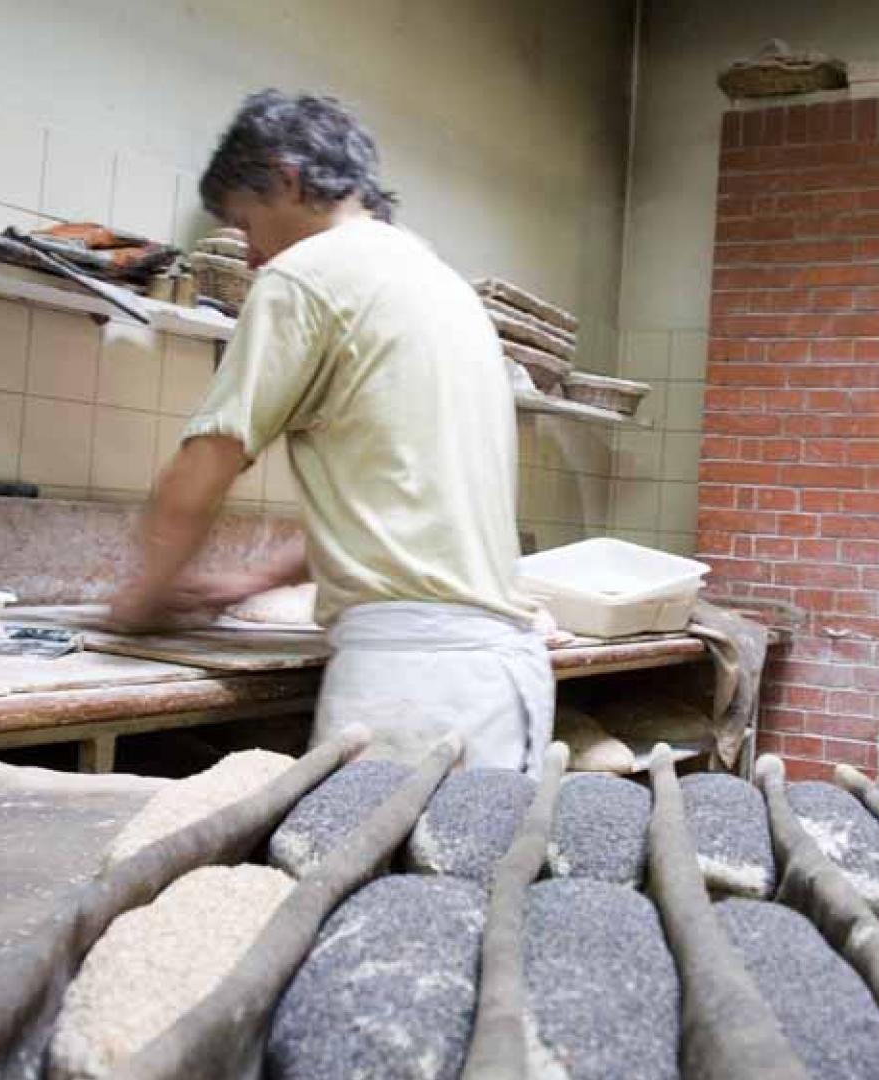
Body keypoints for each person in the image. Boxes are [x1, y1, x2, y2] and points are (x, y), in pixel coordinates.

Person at [109, 90, 551, 772]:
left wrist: (143, 596)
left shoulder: (305, 276)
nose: (252, 255)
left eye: (245, 224)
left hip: (412, 682)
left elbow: (205, 467)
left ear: (287, 178)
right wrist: (252, 579)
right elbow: (399, 500)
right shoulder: (438, 283)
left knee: (372, 876)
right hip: (499, 674)